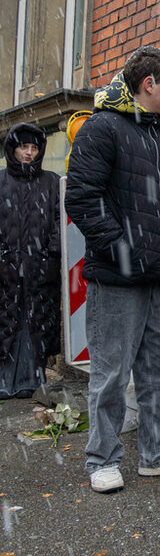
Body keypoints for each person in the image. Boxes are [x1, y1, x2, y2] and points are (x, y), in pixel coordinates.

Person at [65, 46, 160, 493]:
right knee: (111, 371)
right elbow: (82, 200)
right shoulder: (102, 129)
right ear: (150, 85)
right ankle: (102, 460)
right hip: (118, 278)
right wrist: (123, 251)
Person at [0, 123, 62, 399]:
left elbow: (61, 223)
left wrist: (51, 255)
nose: (29, 153)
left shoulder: (51, 182)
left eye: (34, 148)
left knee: (35, 324)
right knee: (6, 322)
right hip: (5, 271)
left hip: (40, 271)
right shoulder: (1, 182)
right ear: (12, 149)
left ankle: (31, 380)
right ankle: (4, 382)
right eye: (23, 147)